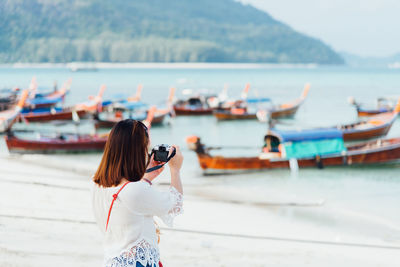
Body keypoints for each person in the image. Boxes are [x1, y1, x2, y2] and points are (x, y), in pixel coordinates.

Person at [92, 119, 183, 267]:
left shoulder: (97, 184)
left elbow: (128, 204)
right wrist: (176, 170)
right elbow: (175, 205)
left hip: (113, 260)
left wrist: (146, 178)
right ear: (137, 151)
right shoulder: (136, 191)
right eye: (146, 149)